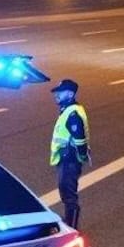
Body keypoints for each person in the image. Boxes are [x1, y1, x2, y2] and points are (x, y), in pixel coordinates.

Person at [49, 79, 90, 229]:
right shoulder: (68, 110)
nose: (56, 95)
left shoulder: (72, 114)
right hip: (67, 159)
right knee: (66, 192)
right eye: (56, 92)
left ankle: (72, 229)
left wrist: (81, 155)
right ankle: (70, 224)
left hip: (69, 160)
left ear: (71, 94)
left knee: (68, 195)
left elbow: (80, 139)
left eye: (60, 92)